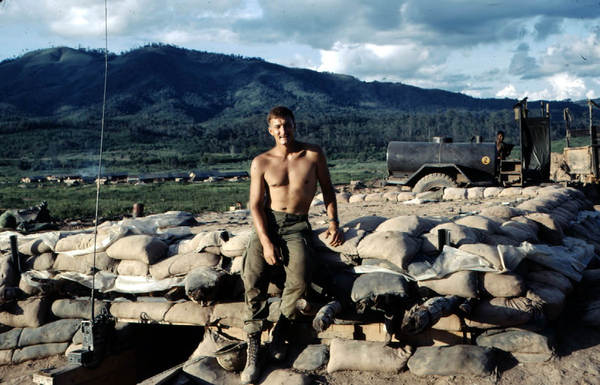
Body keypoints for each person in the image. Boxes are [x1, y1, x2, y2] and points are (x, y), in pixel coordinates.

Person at [240, 106, 343, 383]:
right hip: (268, 224)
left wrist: (333, 223)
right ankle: (252, 346)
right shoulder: (261, 161)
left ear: (294, 126)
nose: (283, 131)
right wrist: (266, 242)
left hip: (297, 224)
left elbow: (328, 189)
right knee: (252, 277)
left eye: (287, 125)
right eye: (277, 127)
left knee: (298, 279)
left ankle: (280, 333)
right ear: (270, 130)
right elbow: (255, 205)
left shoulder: (312, 154)